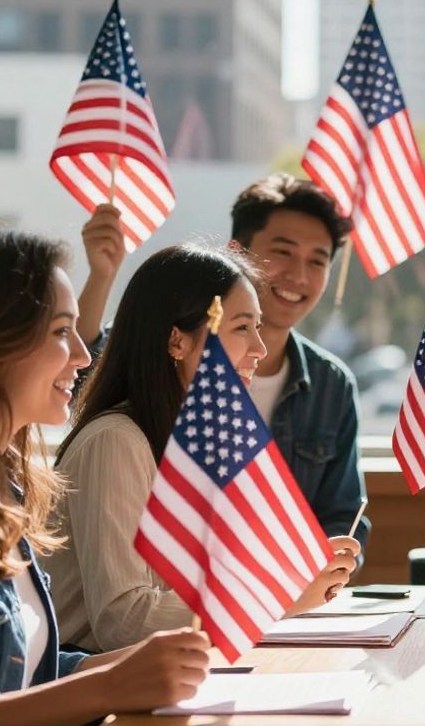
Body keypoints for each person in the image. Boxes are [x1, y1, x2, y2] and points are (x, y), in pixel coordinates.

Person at [0, 224, 209, 726]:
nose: (83, 356)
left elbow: (24, 671)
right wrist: (108, 687)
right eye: (61, 332)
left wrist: (140, 667)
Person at [49, 242, 359, 652]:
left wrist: (297, 569)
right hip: (96, 694)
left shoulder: (198, 439)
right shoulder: (116, 441)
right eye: (242, 328)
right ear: (177, 341)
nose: (260, 349)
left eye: (258, 327)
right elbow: (122, 621)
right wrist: (276, 596)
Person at [77, 172, 368, 547]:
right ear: (235, 252)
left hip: (290, 600)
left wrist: (324, 570)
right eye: (283, 252)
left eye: (317, 261)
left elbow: (343, 515)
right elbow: (80, 379)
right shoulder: (169, 339)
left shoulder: (332, 385)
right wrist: (101, 276)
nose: (298, 275)